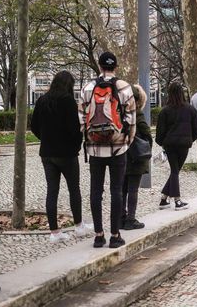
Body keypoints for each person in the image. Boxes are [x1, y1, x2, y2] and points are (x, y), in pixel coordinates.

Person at [81, 51, 136, 249]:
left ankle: (98, 235)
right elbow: (131, 118)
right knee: (117, 191)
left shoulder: (88, 88)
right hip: (118, 148)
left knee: (95, 191)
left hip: (94, 149)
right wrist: (126, 139)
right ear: (116, 67)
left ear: (100, 65)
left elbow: (81, 116)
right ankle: (115, 235)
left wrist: (88, 136)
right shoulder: (124, 87)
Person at [31, 70, 92, 243]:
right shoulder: (68, 101)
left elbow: (34, 126)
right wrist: (75, 146)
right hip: (66, 154)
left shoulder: (42, 101)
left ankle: (55, 232)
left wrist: (46, 139)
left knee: (52, 191)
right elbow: (74, 129)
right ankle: (79, 226)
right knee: (74, 189)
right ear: (69, 85)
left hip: (47, 153)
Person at [156, 82, 197, 210]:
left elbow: (160, 131)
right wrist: (190, 139)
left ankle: (164, 199)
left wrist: (162, 143)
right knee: (175, 171)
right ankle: (177, 200)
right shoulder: (190, 109)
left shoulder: (165, 111)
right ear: (182, 93)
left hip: (170, 144)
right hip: (184, 144)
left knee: (174, 171)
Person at [121, 84, 152, 230]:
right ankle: (130, 219)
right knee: (133, 189)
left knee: (122, 188)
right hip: (136, 156)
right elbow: (146, 133)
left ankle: (120, 218)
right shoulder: (137, 113)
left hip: (121, 154)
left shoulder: (118, 112)